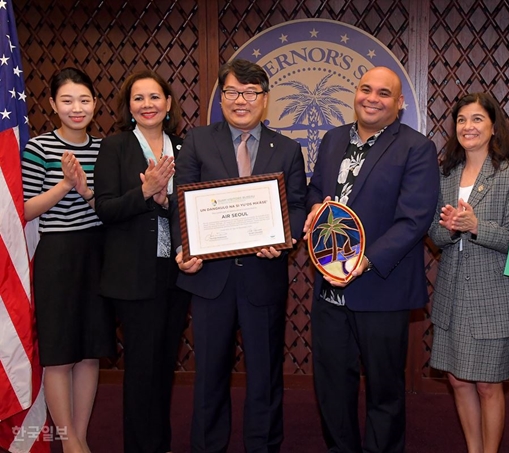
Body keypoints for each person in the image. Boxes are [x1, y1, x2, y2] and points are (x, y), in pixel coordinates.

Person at [172, 58, 307, 453]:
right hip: (209, 278)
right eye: (232, 92)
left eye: (250, 93)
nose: (241, 100)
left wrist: (283, 238)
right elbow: (181, 202)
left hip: (262, 277)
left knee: (264, 375)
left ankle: (262, 447)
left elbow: (297, 206)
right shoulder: (198, 141)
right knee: (209, 374)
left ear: (265, 100)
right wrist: (185, 249)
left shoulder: (287, 149)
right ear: (222, 97)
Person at [303, 66, 439, 453]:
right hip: (329, 289)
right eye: (366, 89)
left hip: (380, 286)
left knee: (384, 390)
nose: (372, 98)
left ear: (399, 103)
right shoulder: (331, 140)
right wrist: (314, 209)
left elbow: (414, 218)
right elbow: (316, 191)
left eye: (384, 93)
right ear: (355, 93)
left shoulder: (416, 147)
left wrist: (365, 260)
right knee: (331, 385)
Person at [94, 70, 191, 453]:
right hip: (132, 277)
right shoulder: (115, 147)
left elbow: (194, 208)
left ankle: (160, 443)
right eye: (138, 98)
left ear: (168, 104)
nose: (147, 104)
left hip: (175, 274)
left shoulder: (184, 148)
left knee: (165, 365)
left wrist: (167, 203)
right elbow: (106, 208)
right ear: (129, 107)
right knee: (141, 369)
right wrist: (146, 191)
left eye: (155, 97)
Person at [21, 67, 115, 453]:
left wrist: (85, 189)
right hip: (57, 255)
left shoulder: (107, 147)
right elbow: (26, 209)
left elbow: (108, 207)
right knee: (60, 352)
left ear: (94, 103)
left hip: (98, 252)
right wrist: (64, 184)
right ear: (52, 105)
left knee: (89, 350)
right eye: (67, 100)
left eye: (84, 100)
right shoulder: (39, 148)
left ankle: (82, 437)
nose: (77, 108)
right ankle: (69, 441)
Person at [427, 93, 509, 453]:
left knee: (488, 385)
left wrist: (476, 226)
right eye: (462, 120)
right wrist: (452, 228)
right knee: (456, 380)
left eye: (477, 119)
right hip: (452, 293)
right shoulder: (445, 175)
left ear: (493, 125)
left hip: (493, 296)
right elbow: (435, 236)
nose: (468, 127)